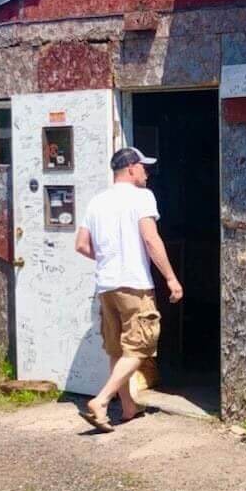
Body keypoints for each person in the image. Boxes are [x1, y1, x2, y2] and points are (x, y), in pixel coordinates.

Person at [74, 146, 183, 430]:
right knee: (140, 347)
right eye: (144, 168)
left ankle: (128, 407)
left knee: (117, 349)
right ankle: (101, 400)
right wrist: (171, 278)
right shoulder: (142, 197)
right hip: (135, 285)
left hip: (107, 285)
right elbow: (151, 240)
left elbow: (81, 245)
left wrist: (107, 258)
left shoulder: (97, 201)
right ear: (131, 168)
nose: (147, 173)